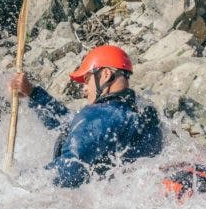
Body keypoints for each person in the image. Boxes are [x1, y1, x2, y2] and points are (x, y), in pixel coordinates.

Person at [9, 44, 163, 188]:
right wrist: (33, 93)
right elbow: (67, 123)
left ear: (106, 75)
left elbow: (71, 168)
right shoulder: (143, 114)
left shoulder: (99, 116)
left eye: (87, 80)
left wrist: (17, 181)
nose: (84, 90)